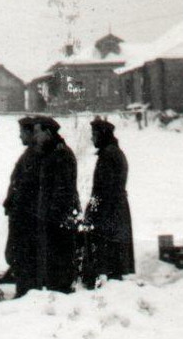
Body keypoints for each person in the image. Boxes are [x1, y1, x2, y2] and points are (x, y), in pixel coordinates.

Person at [31, 115, 80, 293]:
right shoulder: (52, 154)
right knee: (54, 271)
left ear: (48, 132)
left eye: (37, 132)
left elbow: (63, 191)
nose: (35, 137)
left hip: (59, 222)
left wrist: (51, 218)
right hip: (55, 221)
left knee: (60, 272)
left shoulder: (61, 154)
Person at [83, 117, 134, 287]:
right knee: (115, 256)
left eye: (94, 134)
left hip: (109, 211)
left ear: (101, 135)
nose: (92, 138)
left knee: (108, 253)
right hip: (116, 209)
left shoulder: (108, 155)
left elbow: (101, 189)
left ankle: (109, 288)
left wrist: (91, 210)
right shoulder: (114, 152)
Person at [2, 116, 40, 297]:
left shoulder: (34, 156)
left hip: (26, 217)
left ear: (30, 133)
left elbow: (26, 188)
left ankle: (25, 292)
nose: (20, 137)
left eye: (22, 133)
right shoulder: (29, 155)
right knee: (19, 254)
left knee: (24, 255)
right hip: (21, 215)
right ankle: (23, 289)